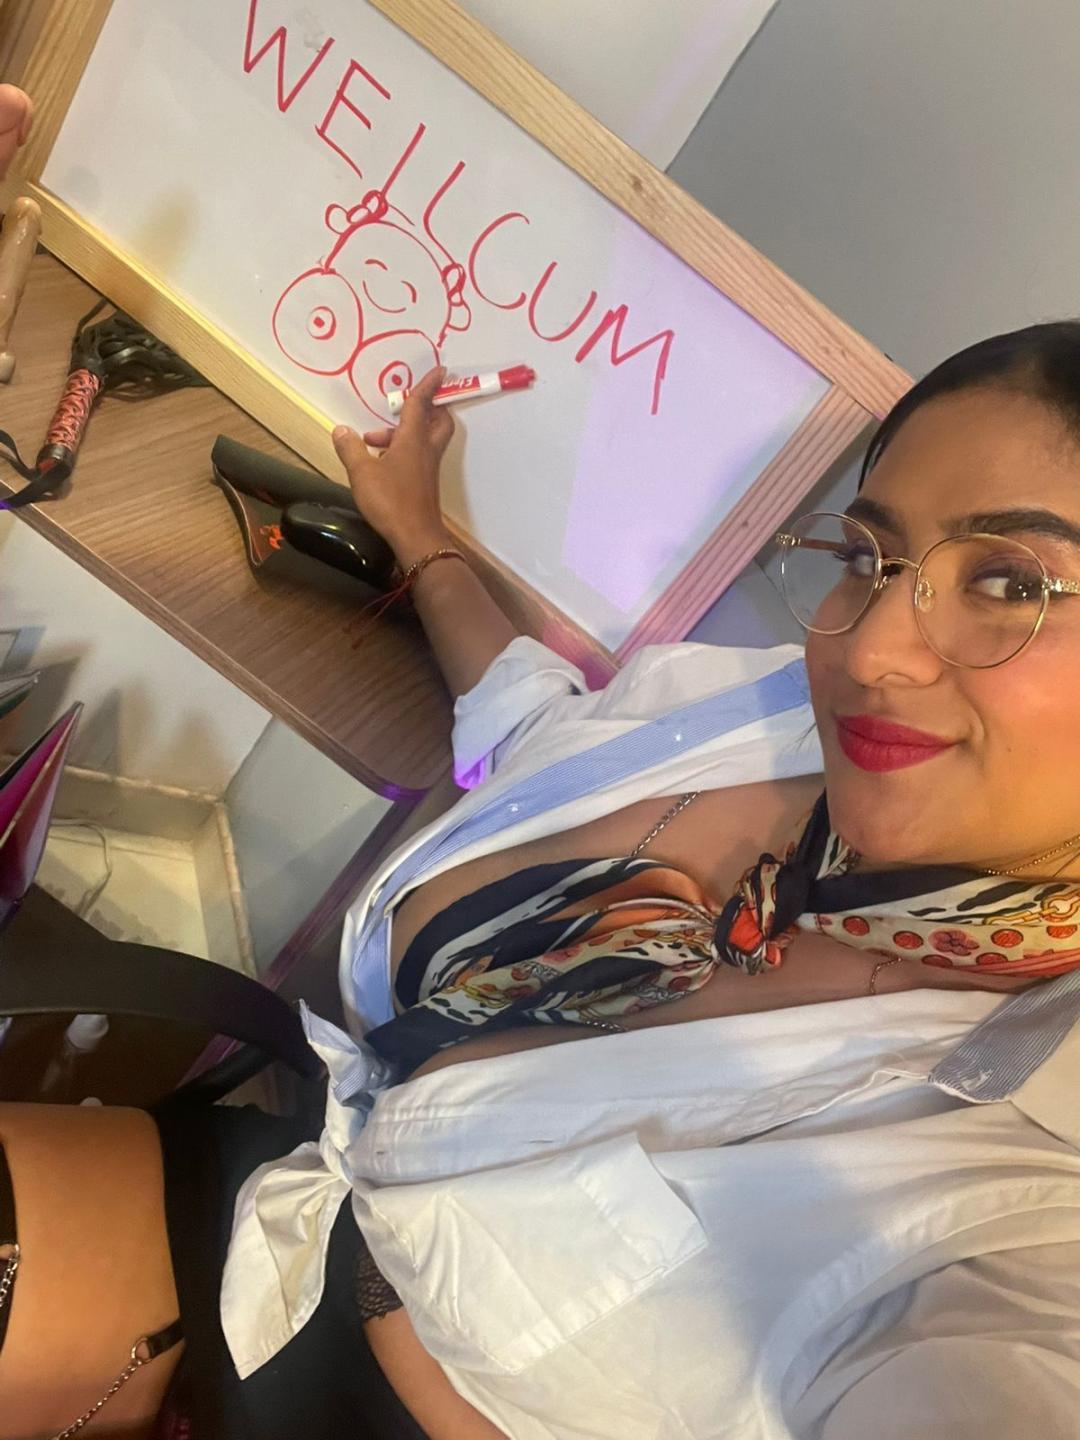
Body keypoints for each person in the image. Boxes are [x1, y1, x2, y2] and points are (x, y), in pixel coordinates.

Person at [5, 284, 1080, 1434]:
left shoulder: (1021, 1234)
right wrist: (420, 534)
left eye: (1010, 583)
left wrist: (404, 1342)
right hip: (285, 1216)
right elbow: (541, 736)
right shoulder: (770, 715)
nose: (870, 647)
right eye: (872, 557)